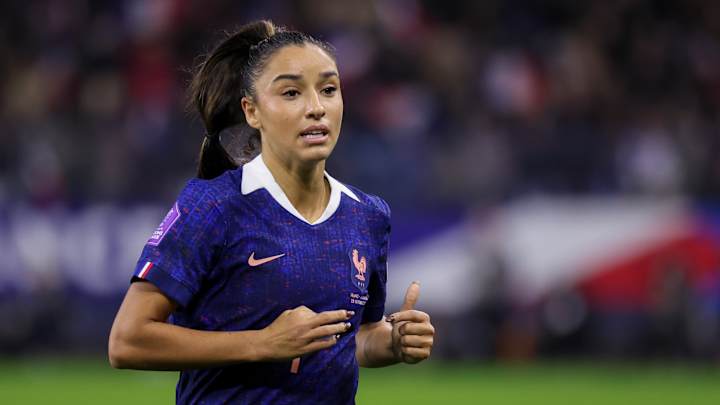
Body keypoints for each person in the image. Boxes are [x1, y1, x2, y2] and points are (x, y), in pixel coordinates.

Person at [108, 20, 435, 404]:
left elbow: (354, 339)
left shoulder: (368, 216)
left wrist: (393, 341)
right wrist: (262, 343)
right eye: (292, 93)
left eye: (329, 90)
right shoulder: (215, 206)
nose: (316, 108)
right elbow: (127, 341)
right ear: (252, 111)